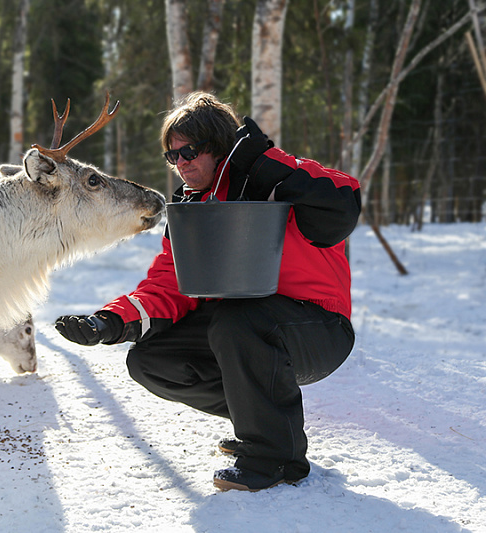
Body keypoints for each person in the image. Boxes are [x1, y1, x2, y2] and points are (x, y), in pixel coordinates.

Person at [54, 92, 361, 492]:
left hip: (319, 328)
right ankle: (263, 424)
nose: (181, 163)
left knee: (238, 320)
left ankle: (275, 457)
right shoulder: (193, 208)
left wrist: (271, 168)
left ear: (218, 147)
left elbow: (343, 199)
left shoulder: (270, 177)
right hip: (248, 328)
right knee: (151, 360)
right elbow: (169, 282)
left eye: (190, 151)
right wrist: (110, 321)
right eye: (172, 156)